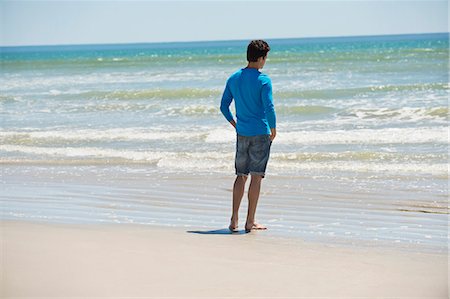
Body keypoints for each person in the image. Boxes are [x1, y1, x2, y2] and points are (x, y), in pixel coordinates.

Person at [220, 40, 276, 233]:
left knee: (240, 176)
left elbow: (223, 106)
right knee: (256, 177)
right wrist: (274, 128)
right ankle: (250, 221)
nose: (265, 62)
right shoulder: (263, 80)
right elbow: (269, 107)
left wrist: (234, 123)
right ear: (260, 58)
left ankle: (234, 220)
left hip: (242, 133)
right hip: (260, 132)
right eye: (265, 58)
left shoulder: (234, 78)